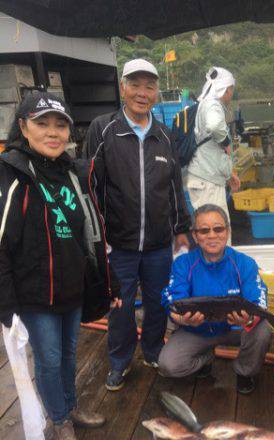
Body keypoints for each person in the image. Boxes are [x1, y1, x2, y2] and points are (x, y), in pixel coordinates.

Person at [0, 91, 121, 440]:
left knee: (69, 355)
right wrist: (6, 305)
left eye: (60, 125)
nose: (53, 132)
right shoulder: (12, 173)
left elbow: (92, 233)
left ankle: (69, 405)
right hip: (35, 294)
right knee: (49, 359)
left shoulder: (72, 171)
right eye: (42, 124)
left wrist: (104, 282)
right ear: (23, 127)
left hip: (72, 287)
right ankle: (59, 419)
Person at [85, 58, 191, 391]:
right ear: (123, 88)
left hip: (159, 243)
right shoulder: (103, 129)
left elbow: (175, 187)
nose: (142, 93)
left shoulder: (164, 135)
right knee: (120, 306)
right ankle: (119, 362)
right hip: (119, 244)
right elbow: (91, 187)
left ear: (156, 92)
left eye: (149, 86)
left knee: (159, 301)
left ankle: (153, 350)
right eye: (135, 85)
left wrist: (182, 231)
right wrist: (97, 238)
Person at [159, 204, 271, 394]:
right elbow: (172, 300)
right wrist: (181, 319)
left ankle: (245, 372)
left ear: (227, 231)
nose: (212, 235)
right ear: (195, 235)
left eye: (218, 229)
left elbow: (259, 300)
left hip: (235, 328)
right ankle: (206, 358)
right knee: (168, 365)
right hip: (197, 329)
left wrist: (249, 319)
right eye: (204, 230)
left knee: (262, 330)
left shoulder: (245, 263)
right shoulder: (183, 263)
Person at [186, 67, 240, 239]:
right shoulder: (213, 104)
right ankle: (219, 266)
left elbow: (210, 152)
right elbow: (215, 126)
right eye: (231, 89)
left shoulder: (205, 104)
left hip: (206, 178)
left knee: (210, 232)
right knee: (216, 234)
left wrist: (228, 174)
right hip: (207, 182)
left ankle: (216, 265)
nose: (231, 93)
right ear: (226, 89)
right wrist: (225, 142)